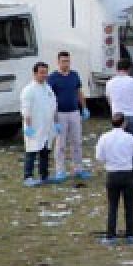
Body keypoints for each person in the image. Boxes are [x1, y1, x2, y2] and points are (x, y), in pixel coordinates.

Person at [95, 113, 133, 244]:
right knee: (129, 206)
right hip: (128, 175)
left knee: (112, 206)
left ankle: (111, 235)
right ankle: (130, 234)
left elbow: (99, 157)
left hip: (112, 175)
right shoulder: (129, 138)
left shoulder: (104, 137)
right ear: (124, 123)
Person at [48, 52, 89, 182]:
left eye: (68, 61)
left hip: (74, 112)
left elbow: (79, 92)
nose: (66, 64)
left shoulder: (74, 75)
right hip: (60, 113)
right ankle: (60, 170)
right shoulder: (53, 78)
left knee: (76, 141)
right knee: (61, 143)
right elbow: (49, 97)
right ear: (58, 62)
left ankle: (78, 168)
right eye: (63, 61)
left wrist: (84, 108)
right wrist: (53, 117)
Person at [19, 62, 58, 187]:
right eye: (41, 73)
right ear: (35, 73)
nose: (44, 75)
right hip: (34, 126)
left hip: (47, 126)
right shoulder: (29, 90)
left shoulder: (48, 88)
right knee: (31, 151)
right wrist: (29, 126)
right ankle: (28, 176)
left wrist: (55, 122)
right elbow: (26, 110)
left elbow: (53, 105)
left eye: (46, 72)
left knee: (45, 151)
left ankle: (44, 175)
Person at [105, 59, 133, 143]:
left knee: (120, 143)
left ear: (117, 69)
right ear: (129, 69)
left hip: (117, 117)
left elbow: (109, 101)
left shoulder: (109, 83)